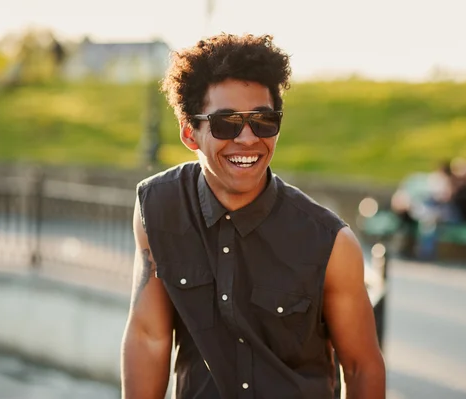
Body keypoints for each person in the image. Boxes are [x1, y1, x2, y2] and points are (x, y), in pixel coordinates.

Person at [121, 33, 385, 399]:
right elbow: (148, 336)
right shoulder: (158, 207)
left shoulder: (330, 243)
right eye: (226, 123)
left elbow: (361, 367)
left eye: (263, 121)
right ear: (190, 133)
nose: (247, 139)